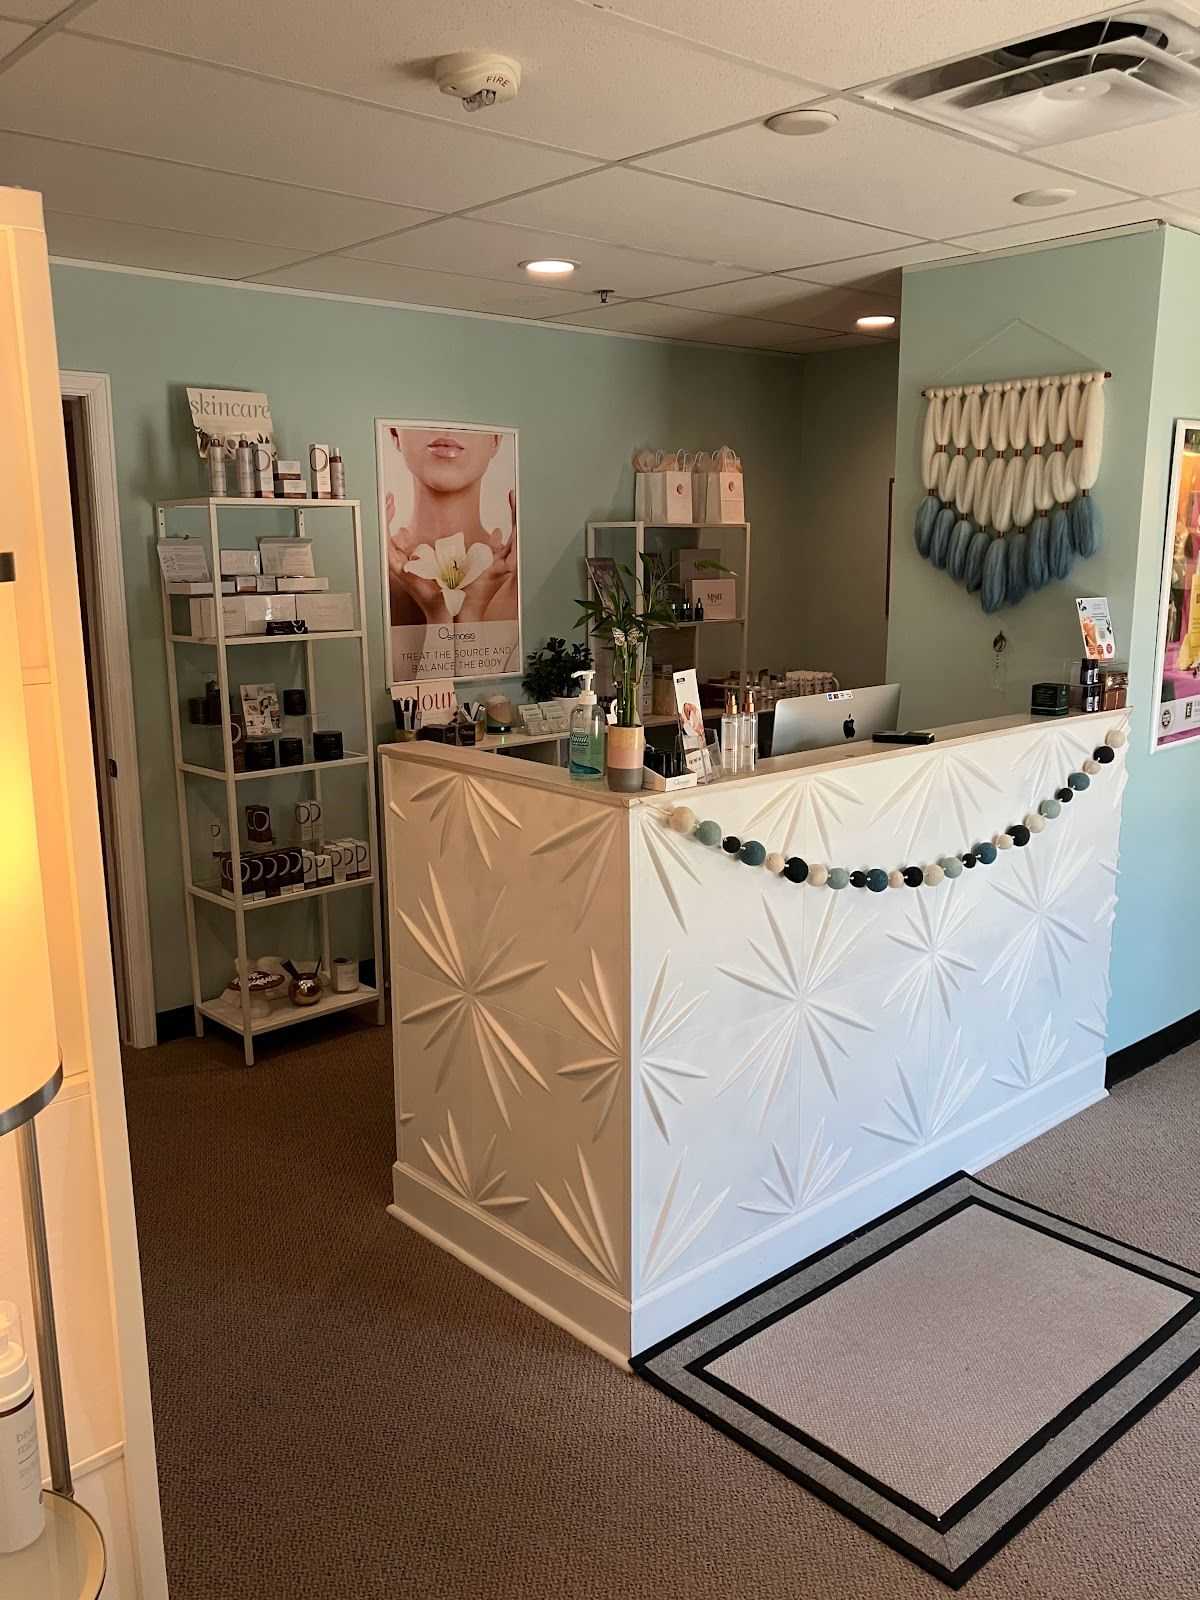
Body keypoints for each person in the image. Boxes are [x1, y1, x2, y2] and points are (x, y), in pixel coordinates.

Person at [385, 428, 517, 630]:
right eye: (423, 409)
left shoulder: (518, 577)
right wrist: (440, 612)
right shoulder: (372, 571)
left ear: (496, 439)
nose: (447, 429)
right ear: (395, 433)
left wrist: (470, 610)